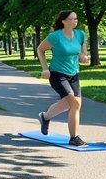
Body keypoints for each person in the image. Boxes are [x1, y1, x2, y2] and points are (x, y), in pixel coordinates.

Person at [36, 10, 89, 146]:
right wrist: (45, 68)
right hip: (57, 75)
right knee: (75, 104)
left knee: (68, 105)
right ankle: (74, 138)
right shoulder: (55, 36)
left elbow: (83, 54)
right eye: (72, 19)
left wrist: (84, 57)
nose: (75, 21)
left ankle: (45, 117)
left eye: (76, 18)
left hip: (74, 75)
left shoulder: (80, 35)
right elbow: (40, 50)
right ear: (64, 21)